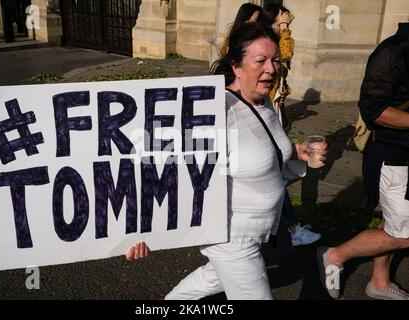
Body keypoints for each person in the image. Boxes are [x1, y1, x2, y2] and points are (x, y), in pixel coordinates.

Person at [127, 21, 327, 300]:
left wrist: (296, 151)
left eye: (275, 60)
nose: (271, 68)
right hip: (231, 238)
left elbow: (260, 151)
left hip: (259, 231)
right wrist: (137, 230)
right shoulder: (216, 109)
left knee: (213, 278)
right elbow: (163, 164)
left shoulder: (265, 101)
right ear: (236, 66)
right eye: (260, 61)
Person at [317, 22, 409, 300]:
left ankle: (378, 282)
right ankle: (334, 255)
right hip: (392, 157)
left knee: (393, 222)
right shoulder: (393, 52)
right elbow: (374, 110)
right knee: (404, 232)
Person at [261, 3, 322, 247]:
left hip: (274, 111)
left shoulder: (270, 41)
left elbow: (282, 64)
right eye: (278, 20)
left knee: (276, 173)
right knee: (277, 175)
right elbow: (285, 54)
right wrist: (284, 28)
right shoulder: (266, 42)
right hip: (264, 113)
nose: (283, 24)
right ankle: (291, 228)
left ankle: (285, 227)